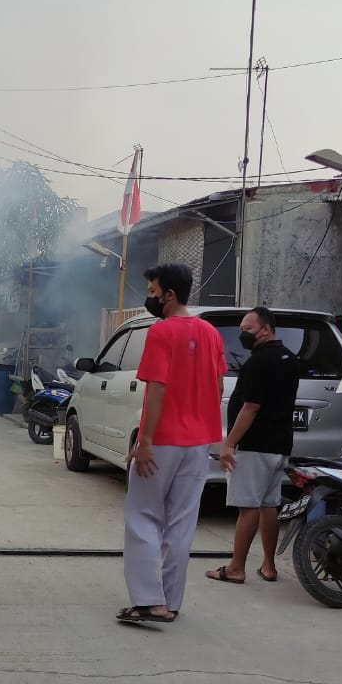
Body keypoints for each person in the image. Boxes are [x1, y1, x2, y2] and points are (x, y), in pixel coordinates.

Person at [116, 264, 226, 624]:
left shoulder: (162, 333)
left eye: (152, 292)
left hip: (163, 441)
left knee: (143, 518)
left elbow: (157, 388)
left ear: (169, 295)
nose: (149, 298)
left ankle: (149, 602)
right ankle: (171, 602)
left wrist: (144, 441)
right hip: (198, 445)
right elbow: (219, 385)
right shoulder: (211, 333)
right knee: (181, 524)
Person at [208, 306, 300, 585]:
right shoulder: (290, 358)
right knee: (268, 504)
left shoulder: (259, 362)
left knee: (247, 506)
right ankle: (269, 566)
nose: (242, 334)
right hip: (279, 444)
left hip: (255, 445)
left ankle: (236, 568)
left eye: (247, 329)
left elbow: (250, 408)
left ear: (266, 329)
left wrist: (229, 443)